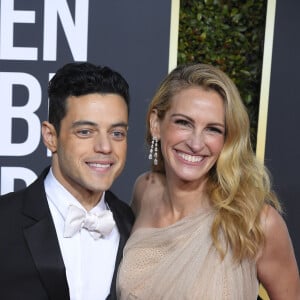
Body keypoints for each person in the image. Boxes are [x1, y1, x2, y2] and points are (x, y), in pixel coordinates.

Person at [116, 63, 300, 299]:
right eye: (183, 122)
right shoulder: (145, 190)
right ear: (156, 124)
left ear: (227, 139)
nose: (195, 143)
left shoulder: (255, 222)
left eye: (212, 129)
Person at [0, 62, 135, 300]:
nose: (105, 147)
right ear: (51, 137)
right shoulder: (4, 219)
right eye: (85, 132)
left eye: (116, 133)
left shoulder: (134, 226)